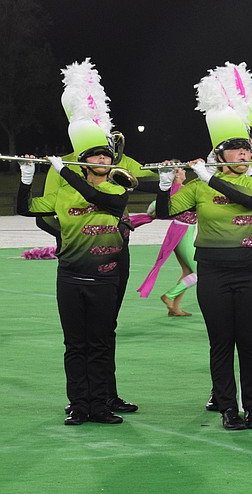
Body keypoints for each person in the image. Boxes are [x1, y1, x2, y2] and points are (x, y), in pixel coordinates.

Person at [156, 77, 252, 431]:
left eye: (246, 149)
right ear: (219, 155)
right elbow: (166, 212)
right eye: (236, 150)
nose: (245, 153)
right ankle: (228, 408)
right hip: (214, 270)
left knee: (249, 342)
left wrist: (207, 177)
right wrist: (166, 185)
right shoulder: (197, 186)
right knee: (221, 341)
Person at [41, 61, 156, 415]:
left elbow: (149, 177)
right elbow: (46, 216)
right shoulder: (62, 166)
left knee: (108, 327)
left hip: (117, 252)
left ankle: (107, 395)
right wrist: (76, 238)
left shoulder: (116, 160)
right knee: (83, 335)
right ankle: (83, 398)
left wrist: (176, 169)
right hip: (80, 256)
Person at [17, 84, 128, 426]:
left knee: (98, 344)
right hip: (69, 278)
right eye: (95, 156)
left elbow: (104, 202)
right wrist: (26, 179)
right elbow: (26, 209)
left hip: (104, 279)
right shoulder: (64, 193)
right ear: (84, 161)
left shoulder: (115, 186)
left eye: (106, 156)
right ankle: (79, 406)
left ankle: (101, 405)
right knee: (75, 346)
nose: (103, 161)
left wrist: (64, 170)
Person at [137, 165, 195, 317]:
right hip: (184, 232)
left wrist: (155, 214)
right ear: (176, 174)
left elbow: (152, 208)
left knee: (188, 271)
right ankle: (169, 296)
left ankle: (175, 308)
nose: (184, 171)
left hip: (178, 231)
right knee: (200, 272)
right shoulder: (181, 190)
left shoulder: (172, 190)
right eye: (181, 170)